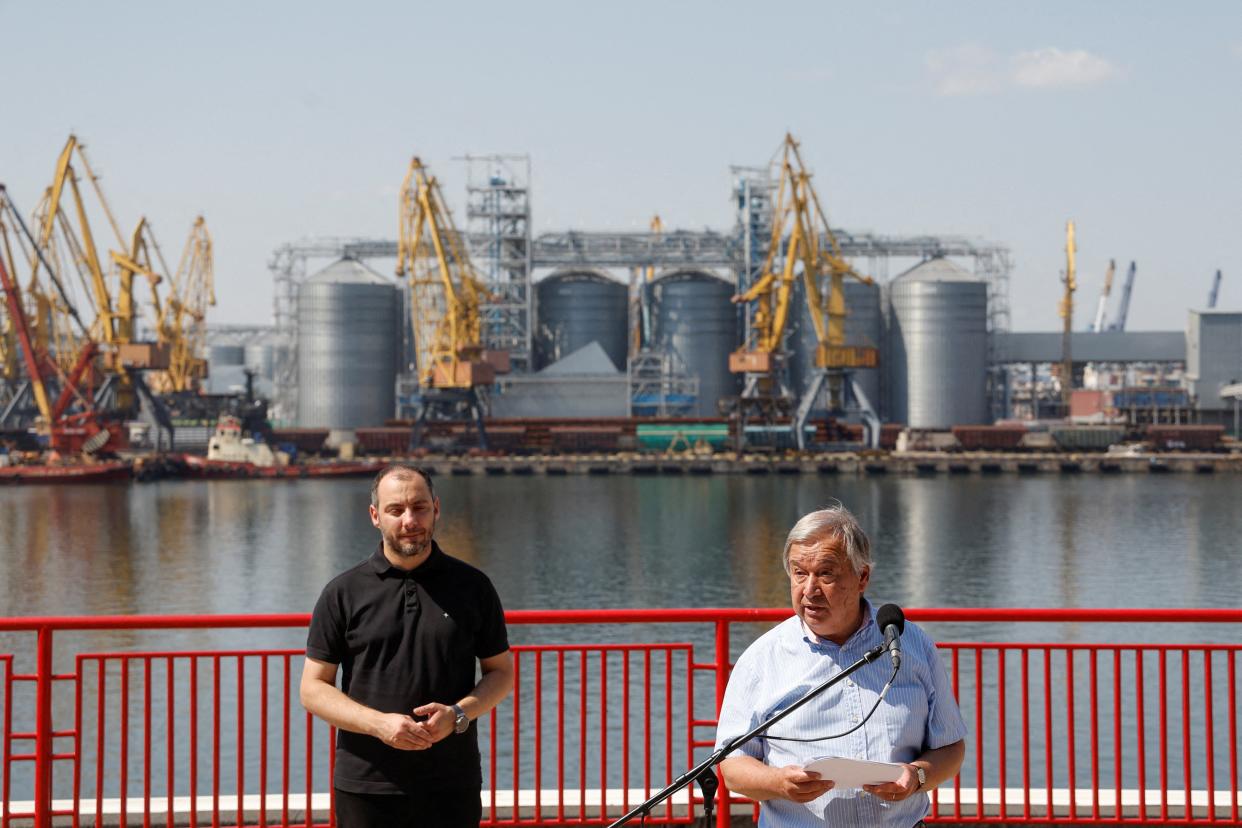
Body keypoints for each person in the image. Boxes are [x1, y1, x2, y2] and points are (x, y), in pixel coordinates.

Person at [714, 505, 966, 828]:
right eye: (799, 573)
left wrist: (917, 775)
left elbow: (951, 746)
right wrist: (779, 783)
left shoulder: (910, 645)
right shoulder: (762, 659)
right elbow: (732, 767)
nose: (809, 590)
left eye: (826, 573)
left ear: (862, 577)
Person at [300, 464, 514, 828]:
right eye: (395, 510)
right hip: (366, 784)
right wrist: (378, 724)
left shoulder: (474, 587)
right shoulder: (343, 592)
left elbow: (502, 673)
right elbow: (312, 688)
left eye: (419, 507)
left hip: (452, 782)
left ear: (436, 508)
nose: (409, 520)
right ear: (375, 516)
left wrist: (458, 715)